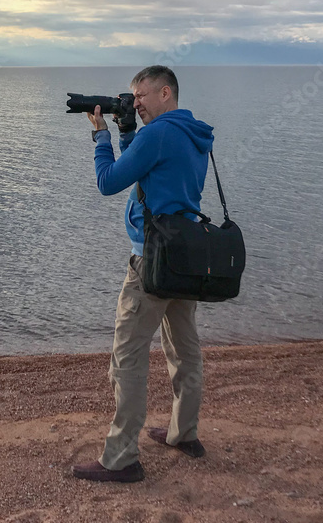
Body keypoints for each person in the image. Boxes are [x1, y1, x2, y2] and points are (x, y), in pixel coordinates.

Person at [71, 65, 215, 483]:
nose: (135, 104)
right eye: (132, 98)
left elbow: (109, 182)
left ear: (165, 92)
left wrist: (101, 137)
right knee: (184, 352)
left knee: (127, 359)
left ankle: (121, 458)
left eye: (142, 97)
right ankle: (183, 433)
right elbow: (151, 176)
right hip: (184, 259)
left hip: (150, 263)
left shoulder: (158, 134)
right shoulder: (193, 134)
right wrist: (128, 133)